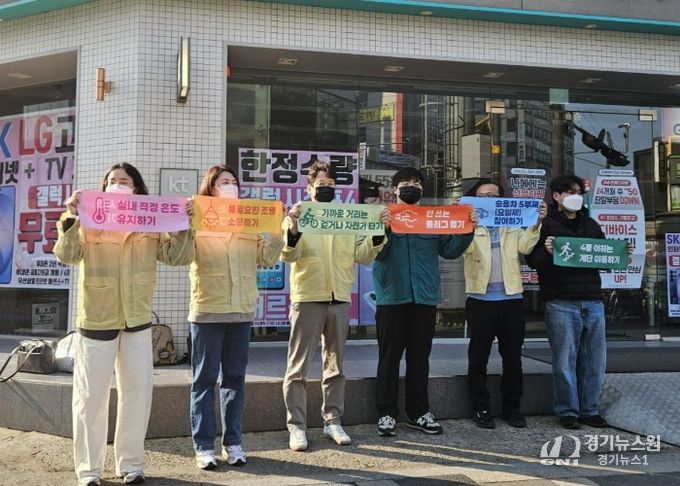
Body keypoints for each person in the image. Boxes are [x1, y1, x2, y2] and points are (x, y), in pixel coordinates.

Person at [54, 163, 194, 486]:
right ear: (103, 188)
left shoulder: (149, 221)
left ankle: (131, 464)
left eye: (124, 181)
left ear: (136, 188)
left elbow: (178, 257)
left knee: (137, 393)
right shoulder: (89, 218)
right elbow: (67, 255)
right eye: (111, 181)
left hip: (137, 319)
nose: (117, 185)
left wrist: (183, 225)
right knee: (90, 398)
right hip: (97, 318)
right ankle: (89, 469)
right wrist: (72, 218)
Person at [280, 160, 389, 451]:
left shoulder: (346, 216)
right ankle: (297, 426)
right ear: (309, 187)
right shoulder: (298, 214)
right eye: (321, 184)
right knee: (297, 367)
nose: (326, 188)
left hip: (339, 296)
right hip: (307, 296)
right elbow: (287, 255)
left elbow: (363, 255)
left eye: (331, 184)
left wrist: (378, 232)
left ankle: (332, 421)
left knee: (335, 365)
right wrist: (294, 228)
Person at [188, 166, 284, 469]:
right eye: (223, 183)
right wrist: (185, 224)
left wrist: (278, 230)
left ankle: (233, 443)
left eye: (233, 182)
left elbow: (266, 258)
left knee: (235, 379)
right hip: (208, 308)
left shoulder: (248, 220)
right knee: (204, 380)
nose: (230, 186)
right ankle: (204, 446)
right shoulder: (198, 218)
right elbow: (181, 256)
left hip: (241, 309)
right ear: (210, 189)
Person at [372, 167, 476, 437]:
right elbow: (374, 254)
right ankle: (386, 413)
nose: (412, 186)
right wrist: (383, 229)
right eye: (406, 182)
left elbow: (450, 251)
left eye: (417, 183)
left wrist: (467, 228)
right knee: (389, 359)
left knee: (420, 359)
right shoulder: (382, 216)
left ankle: (418, 412)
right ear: (395, 189)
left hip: (424, 299)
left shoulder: (431, 218)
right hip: (392, 298)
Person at [525, 174, 612, 430]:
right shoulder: (545, 224)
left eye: (579, 192)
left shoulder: (591, 224)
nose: (576, 197)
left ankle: (590, 410)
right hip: (561, 302)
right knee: (564, 361)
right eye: (570, 192)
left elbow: (604, 256)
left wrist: (621, 254)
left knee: (595, 361)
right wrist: (547, 251)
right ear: (557, 196)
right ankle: (568, 411)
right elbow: (532, 260)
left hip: (593, 301)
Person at [463, 180, 547, 429]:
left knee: (512, 358)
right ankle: (481, 407)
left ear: (502, 200)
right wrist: (466, 224)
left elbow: (525, 247)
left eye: (493, 196)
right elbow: (462, 250)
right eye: (481, 196)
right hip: (480, 300)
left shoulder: (511, 222)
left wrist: (536, 221)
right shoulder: (470, 224)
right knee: (478, 357)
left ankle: (512, 408)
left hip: (511, 300)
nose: (487, 200)